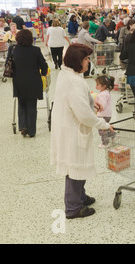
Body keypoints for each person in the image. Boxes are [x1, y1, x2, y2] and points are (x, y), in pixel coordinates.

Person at [50, 43, 114, 219]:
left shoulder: (67, 73)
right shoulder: (74, 82)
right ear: (78, 60)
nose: (88, 62)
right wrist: (103, 124)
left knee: (76, 164)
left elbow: (79, 101)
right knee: (74, 165)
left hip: (67, 125)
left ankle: (80, 196)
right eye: (86, 59)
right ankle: (73, 208)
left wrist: (92, 102)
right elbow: (84, 114)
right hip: (72, 129)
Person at [7, 29, 48, 137]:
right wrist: (43, 73)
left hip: (19, 80)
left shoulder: (13, 49)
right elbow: (43, 65)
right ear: (31, 39)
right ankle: (32, 131)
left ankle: (23, 126)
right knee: (32, 105)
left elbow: (8, 63)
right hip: (33, 81)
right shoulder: (36, 50)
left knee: (21, 103)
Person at [95, 75, 116, 148]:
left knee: (102, 130)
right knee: (106, 127)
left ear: (104, 86)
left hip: (103, 115)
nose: (96, 86)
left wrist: (95, 104)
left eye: (98, 84)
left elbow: (102, 106)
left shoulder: (102, 94)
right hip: (107, 115)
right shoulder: (106, 92)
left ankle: (105, 143)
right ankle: (114, 135)